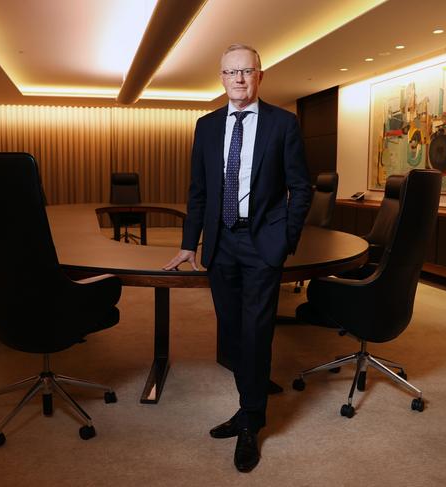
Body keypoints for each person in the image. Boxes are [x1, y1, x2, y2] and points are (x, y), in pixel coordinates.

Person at [164, 44, 311, 473]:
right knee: (230, 330)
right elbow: (199, 190)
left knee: (256, 328)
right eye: (231, 72)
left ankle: (251, 419)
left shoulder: (283, 124)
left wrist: (286, 237)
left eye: (247, 71)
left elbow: (301, 187)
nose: (239, 79)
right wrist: (190, 242)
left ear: (260, 76)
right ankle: (251, 395)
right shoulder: (206, 126)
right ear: (221, 77)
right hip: (221, 243)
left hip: (262, 241)